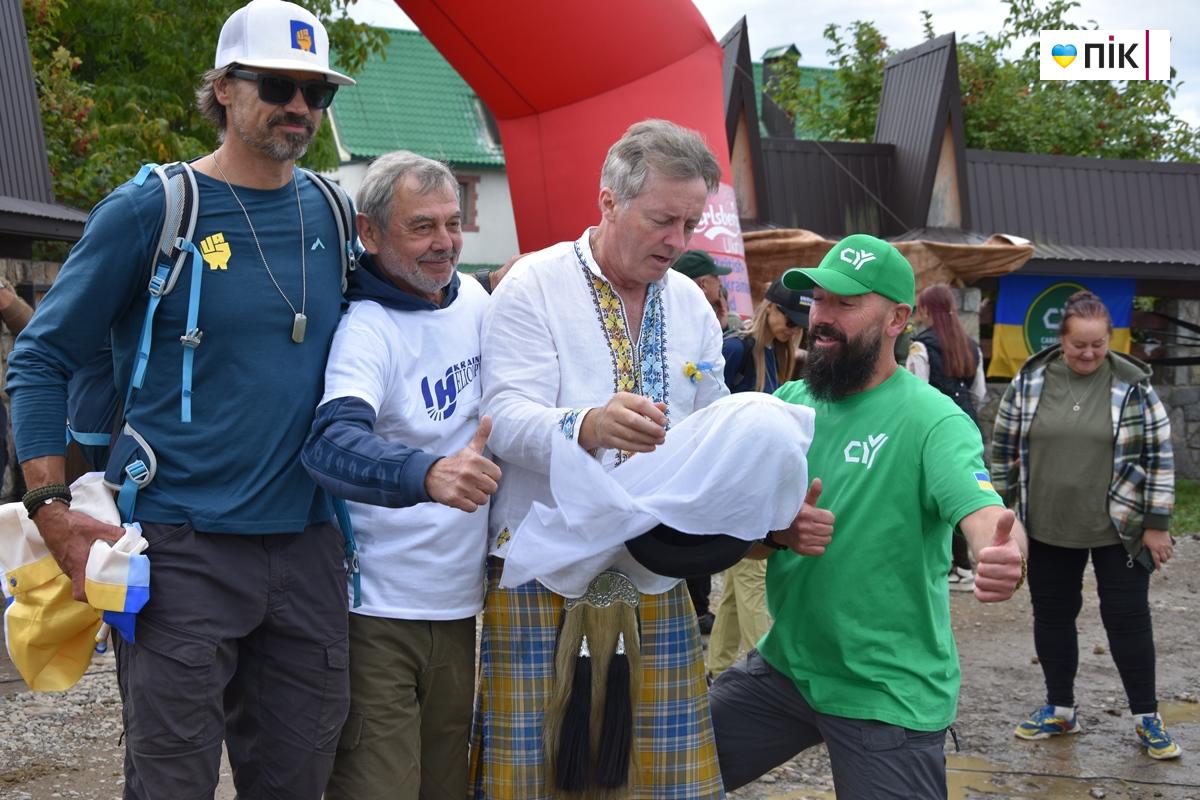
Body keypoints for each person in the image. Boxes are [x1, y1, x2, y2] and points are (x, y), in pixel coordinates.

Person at [5, 1, 357, 796]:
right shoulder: (152, 211)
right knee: (171, 782)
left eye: (318, 92)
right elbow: (40, 358)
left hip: (307, 545)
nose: (300, 107)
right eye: (279, 85)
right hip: (179, 548)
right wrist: (51, 512)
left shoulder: (332, 214)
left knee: (300, 782)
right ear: (225, 89)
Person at [709, 234, 1028, 799]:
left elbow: (983, 511)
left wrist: (1001, 552)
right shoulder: (790, 407)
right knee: (659, 769)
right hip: (788, 670)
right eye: (820, 302)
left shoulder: (933, 419)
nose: (823, 319)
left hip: (888, 691)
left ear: (896, 319)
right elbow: (744, 543)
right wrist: (776, 533)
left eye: (845, 304)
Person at [469, 119, 728, 798]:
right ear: (609, 202)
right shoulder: (535, 285)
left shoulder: (694, 309)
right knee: (529, 778)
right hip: (539, 565)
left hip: (655, 569)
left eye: (691, 223)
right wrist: (587, 424)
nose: (677, 241)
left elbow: (713, 421)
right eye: (662, 220)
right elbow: (501, 421)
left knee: (662, 780)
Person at [299, 151, 499, 798]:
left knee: (446, 786)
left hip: (459, 606)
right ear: (370, 233)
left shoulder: (472, 296)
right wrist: (429, 473)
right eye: (421, 227)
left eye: (451, 222)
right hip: (376, 613)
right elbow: (331, 444)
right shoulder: (367, 328)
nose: (444, 243)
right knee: (378, 788)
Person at [991, 290, 1181, 760]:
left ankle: (1146, 718)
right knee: (1052, 617)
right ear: (1061, 340)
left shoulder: (1133, 384)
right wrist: (1003, 514)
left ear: (1110, 339)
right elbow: (1004, 450)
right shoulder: (1031, 379)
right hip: (1049, 525)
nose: (1090, 354)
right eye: (1080, 345)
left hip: (1120, 527)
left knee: (1128, 620)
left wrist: (1156, 524)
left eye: (1099, 344)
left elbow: (1159, 456)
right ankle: (1061, 710)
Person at [706, 278, 809, 678]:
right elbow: (709, 416)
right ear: (770, 308)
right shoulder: (735, 350)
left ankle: (714, 670)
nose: (793, 328)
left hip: (761, 484)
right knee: (752, 582)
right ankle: (767, 672)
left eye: (801, 323)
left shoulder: (778, 356)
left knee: (737, 587)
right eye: (789, 318)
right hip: (738, 488)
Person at [906, 282, 987, 590]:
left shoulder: (921, 346)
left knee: (932, 495)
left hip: (933, 427)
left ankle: (952, 566)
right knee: (962, 491)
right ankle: (964, 565)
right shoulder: (971, 345)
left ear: (925, 309)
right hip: (967, 423)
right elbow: (978, 392)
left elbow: (917, 390)